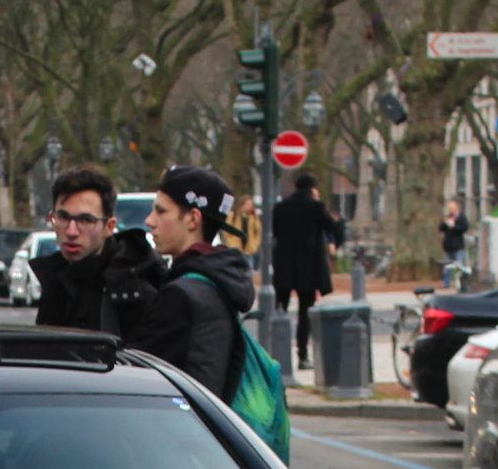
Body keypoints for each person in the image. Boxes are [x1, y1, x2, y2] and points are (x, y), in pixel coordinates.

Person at [117, 166, 255, 399]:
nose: (150, 221)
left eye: (161, 211)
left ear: (192, 219)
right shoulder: (217, 281)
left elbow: (134, 375)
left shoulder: (183, 294)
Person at [30, 164, 122, 334]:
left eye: (86, 220)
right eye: (63, 217)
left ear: (109, 227)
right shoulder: (54, 281)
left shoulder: (128, 290)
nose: (71, 232)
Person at [270, 172, 345, 369]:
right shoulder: (315, 207)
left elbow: (274, 232)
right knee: (305, 312)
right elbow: (334, 228)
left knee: (280, 309)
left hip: (285, 265)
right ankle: (302, 355)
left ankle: (275, 355)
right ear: (312, 189)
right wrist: (341, 223)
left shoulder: (281, 207)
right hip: (308, 267)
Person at [438, 199, 471, 284]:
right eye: (450, 208)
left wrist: (454, 226)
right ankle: (446, 283)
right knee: (447, 266)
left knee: (459, 265)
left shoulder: (461, 218)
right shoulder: (448, 217)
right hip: (448, 246)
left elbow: (464, 228)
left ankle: (461, 282)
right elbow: (441, 228)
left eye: (452, 208)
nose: (450, 210)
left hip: (458, 246)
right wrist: (445, 224)